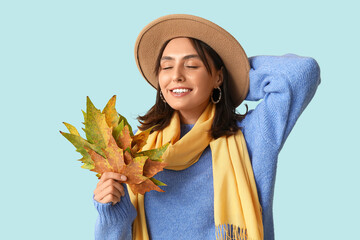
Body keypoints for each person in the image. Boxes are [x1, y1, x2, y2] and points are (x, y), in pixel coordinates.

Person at [92, 14, 321, 240]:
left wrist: (238, 74)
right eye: (166, 67)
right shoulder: (138, 150)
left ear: (218, 77)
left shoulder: (252, 135)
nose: (177, 76)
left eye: (191, 65)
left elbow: (303, 72)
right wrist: (109, 211)